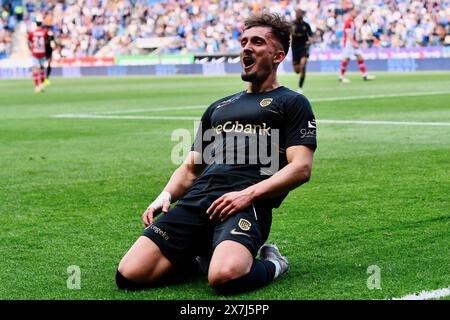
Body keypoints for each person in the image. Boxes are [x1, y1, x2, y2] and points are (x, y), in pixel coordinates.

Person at [116, 12, 317, 295]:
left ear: (278, 56)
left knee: (225, 278)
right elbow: (190, 170)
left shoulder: (292, 103)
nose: (246, 47)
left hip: (245, 202)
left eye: (257, 42)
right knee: (130, 275)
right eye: (244, 41)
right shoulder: (219, 107)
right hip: (199, 200)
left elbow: (301, 168)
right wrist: (165, 195)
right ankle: (203, 256)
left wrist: (248, 194)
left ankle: (274, 263)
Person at [339, 7, 375, 83]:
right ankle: (341, 77)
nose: (356, 13)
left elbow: (363, 19)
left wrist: (370, 13)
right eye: (354, 12)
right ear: (351, 13)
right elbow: (348, 34)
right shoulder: (348, 22)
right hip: (349, 44)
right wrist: (353, 43)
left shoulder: (353, 21)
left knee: (360, 57)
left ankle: (365, 75)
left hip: (353, 43)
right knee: (346, 59)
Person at [291, 8, 313, 94]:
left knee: (303, 64)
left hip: (304, 47)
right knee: (297, 71)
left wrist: (310, 41)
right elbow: (287, 34)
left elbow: (311, 36)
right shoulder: (291, 24)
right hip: (295, 49)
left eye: (299, 13)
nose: (298, 15)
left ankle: (300, 87)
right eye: (297, 13)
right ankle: (301, 68)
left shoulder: (306, 25)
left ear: (302, 15)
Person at [27, 16, 48, 93]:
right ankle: (42, 85)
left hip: (35, 52)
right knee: (42, 69)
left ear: (35, 23)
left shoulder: (32, 33)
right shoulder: (44, 32)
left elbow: (29, 41)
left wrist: (31, 49)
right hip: (42, 52)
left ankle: (37, 86)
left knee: (35, 69)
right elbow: (46, 42)